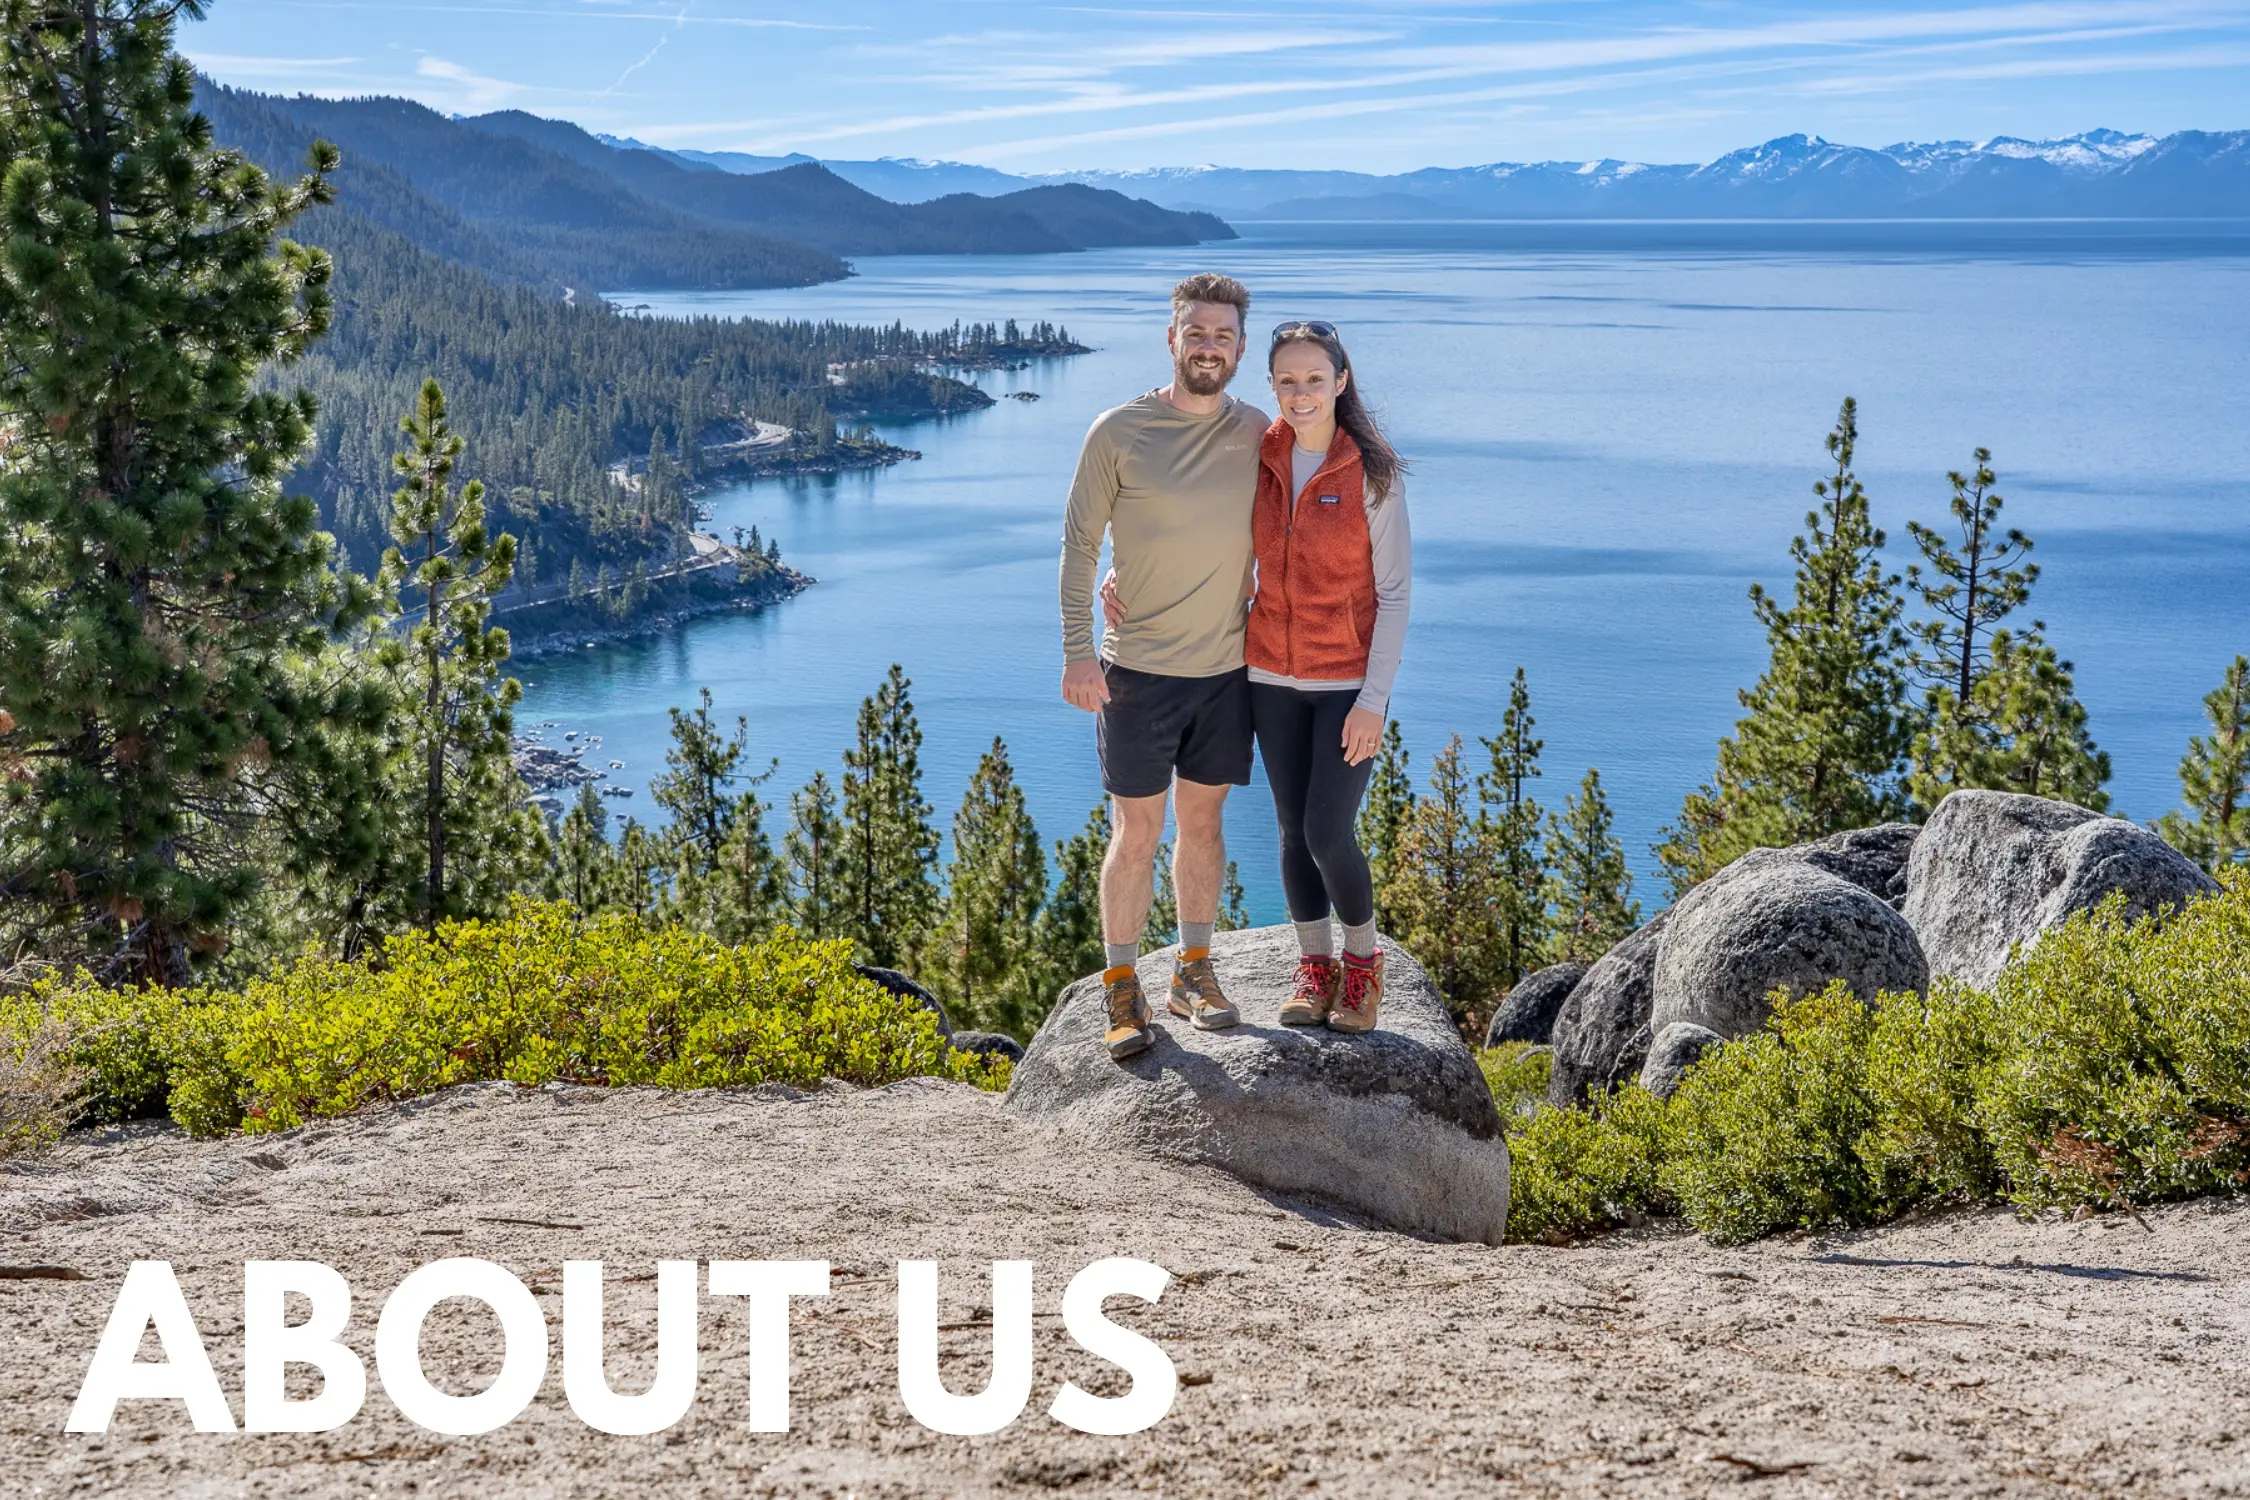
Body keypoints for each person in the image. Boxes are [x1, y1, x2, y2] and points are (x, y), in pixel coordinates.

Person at [1059, 273, 1269, 1061]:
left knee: (1204, 824)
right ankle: (1120, 986)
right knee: (1137, 832)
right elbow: (1080, 547)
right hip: (1136, 673)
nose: (1209, 345)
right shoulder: (1119, 431)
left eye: (1223, 334)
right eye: (1197, 331)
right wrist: (1079, 649)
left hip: (1224, 672)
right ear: (1171, 338)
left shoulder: (1259, 432)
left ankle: (1193, 969)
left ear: (1241, 349)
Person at [1248, 320, 1411, 1033]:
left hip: (1344, 684)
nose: (1301, 393)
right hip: (1267, 677)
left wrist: (1373, 701)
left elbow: (1397, 594)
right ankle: (1314, 968)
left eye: (1315, 379)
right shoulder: (1258, 457)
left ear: (1341, 382)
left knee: (1327, 830)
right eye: (1288, 380)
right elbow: (1202, 530)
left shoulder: (1371, 474)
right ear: (1273, 386)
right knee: (1290, 830)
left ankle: (1363, 968)